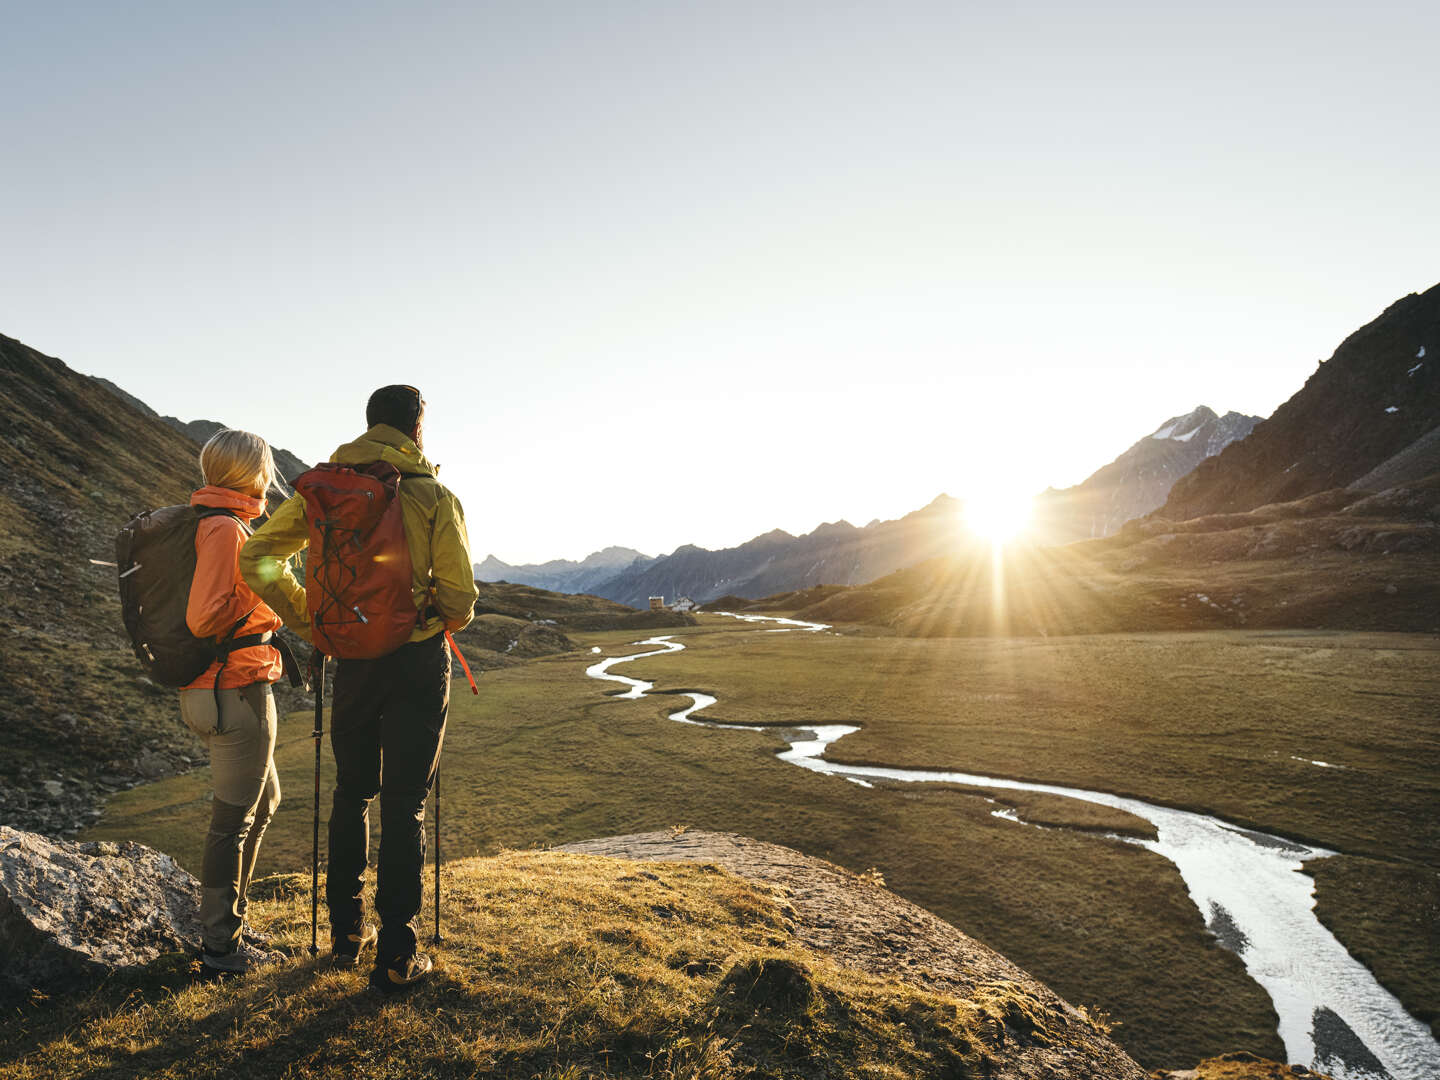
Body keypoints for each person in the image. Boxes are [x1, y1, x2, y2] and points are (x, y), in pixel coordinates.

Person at [239, 385, 477, 994]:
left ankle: (345, 932)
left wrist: (310, 619)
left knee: (352, 792)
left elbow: (260, 554)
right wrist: (428, 617)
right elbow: (461, 600)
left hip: (351, 660)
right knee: (406, 802)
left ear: (369, 425)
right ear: (417, 430)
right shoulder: (433, 496)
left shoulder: (325, 490)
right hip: (417, 661)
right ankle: (397, 951)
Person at [182, 429, 288, 975]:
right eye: (266, 466)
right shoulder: (226, 528)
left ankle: (232, 923)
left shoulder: (222, 521)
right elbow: (204, 617)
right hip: (234, 691)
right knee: (231, 822)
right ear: (253, 471)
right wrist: (260, 583)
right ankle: (220, 946)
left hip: (225, 688)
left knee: (264, 803)